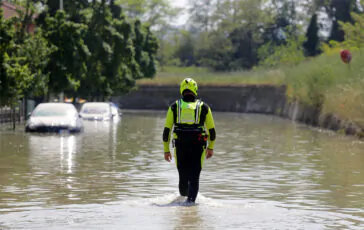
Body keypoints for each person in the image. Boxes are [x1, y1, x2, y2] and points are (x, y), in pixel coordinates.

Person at [162, 78, 216, 203]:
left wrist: (166, 150)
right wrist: (211, 148)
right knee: (195, 176)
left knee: (183, 176)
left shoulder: (174, 107)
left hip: (180, 146)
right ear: (195, 90)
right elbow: (212, 131)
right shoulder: (204, 107)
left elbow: (166, 131)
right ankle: (190, 205)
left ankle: (183, 204)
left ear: (182, 89)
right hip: (198, 146)